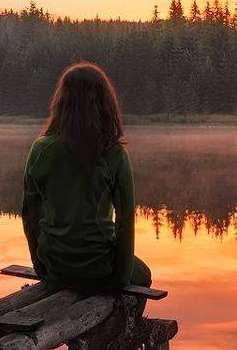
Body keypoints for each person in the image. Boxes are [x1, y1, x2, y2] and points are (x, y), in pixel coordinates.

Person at [21, 62, 151, 290]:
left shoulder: (40, 149)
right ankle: (126, 324)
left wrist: (40, 266)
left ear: (62, 103)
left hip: (55, 263)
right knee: (143, 275)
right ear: (105, 104)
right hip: (99, 266)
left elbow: (30, 215)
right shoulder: (115, 154)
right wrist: (120, 278)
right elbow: (125, 221)